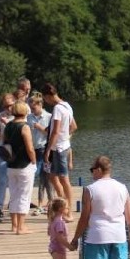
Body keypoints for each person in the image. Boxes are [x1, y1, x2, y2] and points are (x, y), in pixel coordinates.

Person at [42, 83, 78, 221]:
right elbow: (74, 126)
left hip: (58, 149)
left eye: (45, 99)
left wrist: (48, 150)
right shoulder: (67, 105)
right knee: (53, 176)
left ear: (48, 96)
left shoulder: (57, 108)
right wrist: (66, 137)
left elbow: (55, 131)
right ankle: (62, 206)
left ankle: (69, 213)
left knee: (64, 179)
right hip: (63, 146)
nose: (46, 102)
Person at [4, 100, 37, 234]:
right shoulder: (25, 127)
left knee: (13, 194)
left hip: (10, 165)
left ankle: (13, 225)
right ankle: (21, 227)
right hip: (24, 165)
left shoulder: (8, 126)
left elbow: (5, 143)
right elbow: (29, 148)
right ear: (25, 112)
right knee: (24, 195)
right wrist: (34, 160)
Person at [0, 93, 16, 221]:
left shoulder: (19, 116)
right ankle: (0, 208)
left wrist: (8, 124)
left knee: (13, 179)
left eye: (10, 105)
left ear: (15, 103)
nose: (8, 108)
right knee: (2, 180)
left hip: (15, 151)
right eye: (6, 106)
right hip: (3, 149)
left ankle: (14, 206)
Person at [28, 93, 52, 210]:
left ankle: (45, 202)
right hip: (33, 149)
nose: (32, 110)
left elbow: (51, 133)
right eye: (31, 108)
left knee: (44, 176)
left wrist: (39, 127)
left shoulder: (48, 116)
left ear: (40, 104)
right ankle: (44, 202)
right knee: (41, 177)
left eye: (34, 108)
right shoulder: (29, 117)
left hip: (44, 149)